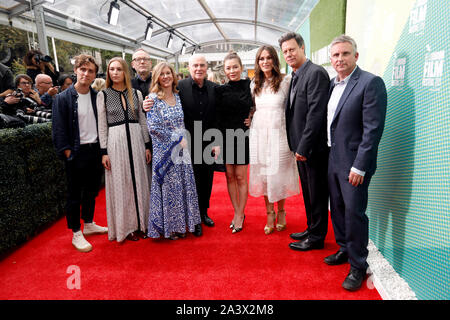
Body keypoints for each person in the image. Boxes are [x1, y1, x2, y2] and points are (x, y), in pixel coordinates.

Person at [325, 35, 387, 291]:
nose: (340, 59)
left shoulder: (370, 83)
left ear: (356, 56)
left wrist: (360, 165)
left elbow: (373, 129)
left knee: (354, 214)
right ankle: (344, 249)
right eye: (336, 55)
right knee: (338, 208)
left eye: (345, 54)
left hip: (354, 164)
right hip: (333, 157)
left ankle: (358, 266)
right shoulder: (332, 84)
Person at [145, 54, 219, 236]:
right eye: (195, 65)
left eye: (202, 65)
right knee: (179, 185)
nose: (199, 68)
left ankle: (201, 214)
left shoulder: (213, 88)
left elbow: (219, 113)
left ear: (207, 67)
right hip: (180, 145)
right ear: (189, 67)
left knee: (199, 181)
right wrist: (144, 104)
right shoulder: (180, 89)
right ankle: (178, 223)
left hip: (205, 141)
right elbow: (153, 123)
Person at [52, 54, 108, 253]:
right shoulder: (63, 98)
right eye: (82, 69)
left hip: (94, 150)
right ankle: (76, 231)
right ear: (76, 70)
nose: (86, 73)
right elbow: (58, 129)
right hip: (76, 152)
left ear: (94, 75)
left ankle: (89, 223)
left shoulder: (97, 96)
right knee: (74, 194)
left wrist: (103, 150)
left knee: (92, 191)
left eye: (90, 71)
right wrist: (67, 153)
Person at [279, 32, 330, 251]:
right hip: (301, 147)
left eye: (292, 49)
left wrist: (304, 146)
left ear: (302, 48)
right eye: (285, 52)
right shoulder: (297, 75)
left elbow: (316, 114)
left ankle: (317, 237)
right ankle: (311, 228)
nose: (289, 54)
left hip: (312, 148)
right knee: (309, 192)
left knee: (317, 193)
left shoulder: (316, 73)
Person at [96, 57, 151, 243]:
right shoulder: (103, 95)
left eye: (119, 69)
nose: (115, 72)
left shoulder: (136, 94)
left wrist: (146, 145)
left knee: (140, 182)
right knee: (122, 184)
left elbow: (143, 121)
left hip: (136, 140)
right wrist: (104, 152)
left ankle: (142, 224)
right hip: (115, 143)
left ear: (125, 72)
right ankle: (126, 228)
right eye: (111, 69)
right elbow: (102, 126)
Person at [248, 45, 300, 235]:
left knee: (278, 174)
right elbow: (254, 108)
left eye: (269, 58)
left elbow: (292, 109)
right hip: (260, 134)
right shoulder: (254, 83)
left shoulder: (286, 81)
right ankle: (269, 213)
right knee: (264, 175)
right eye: (261, 58)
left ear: (275, 60)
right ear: (258, 61)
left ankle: (281, 211)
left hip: (280, 133)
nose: (265, 62)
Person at [215, 51, 253, 234]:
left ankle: (240, 213)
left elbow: (259, 104)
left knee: (240, 177)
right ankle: (237, 212)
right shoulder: (220, 90)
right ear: (224, 70)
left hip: (243, 135)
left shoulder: (250, 86)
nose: (232, 71)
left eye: (235, 67)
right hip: (225, 136)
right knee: (229, 176)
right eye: (228, 68)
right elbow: (217, 116)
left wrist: (253, 116)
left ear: (241, 67)